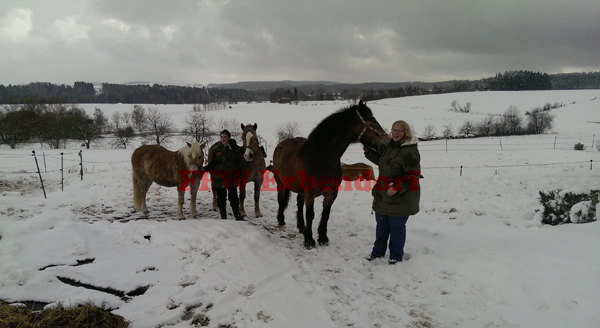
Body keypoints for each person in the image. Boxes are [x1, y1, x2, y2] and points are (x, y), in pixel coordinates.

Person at [364, 120, 421, 264]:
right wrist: (368, 152)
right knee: (381, 225)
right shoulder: (390, 146)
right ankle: (377, 253)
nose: (395, 133)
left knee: (396, 227)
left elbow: (413, 175)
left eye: (399, 131)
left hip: (401, 197)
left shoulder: (409, 150)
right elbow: (383, 162)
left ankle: (395, 256)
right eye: (393, 130)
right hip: (383, 194)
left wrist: (397, 187)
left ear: (405, 133)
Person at [204, 130, 245, 221]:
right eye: (221, 137)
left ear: (229, 137)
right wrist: (203, 169)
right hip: (219, 177)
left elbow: (240, 163)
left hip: (231, 177)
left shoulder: (235, 149)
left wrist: (239, 174)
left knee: (233, 197)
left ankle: (237, 216)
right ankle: (223, 217)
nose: (223, 139)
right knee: (221, 198)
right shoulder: (217, 149)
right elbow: (213, 163)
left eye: (225, 137)